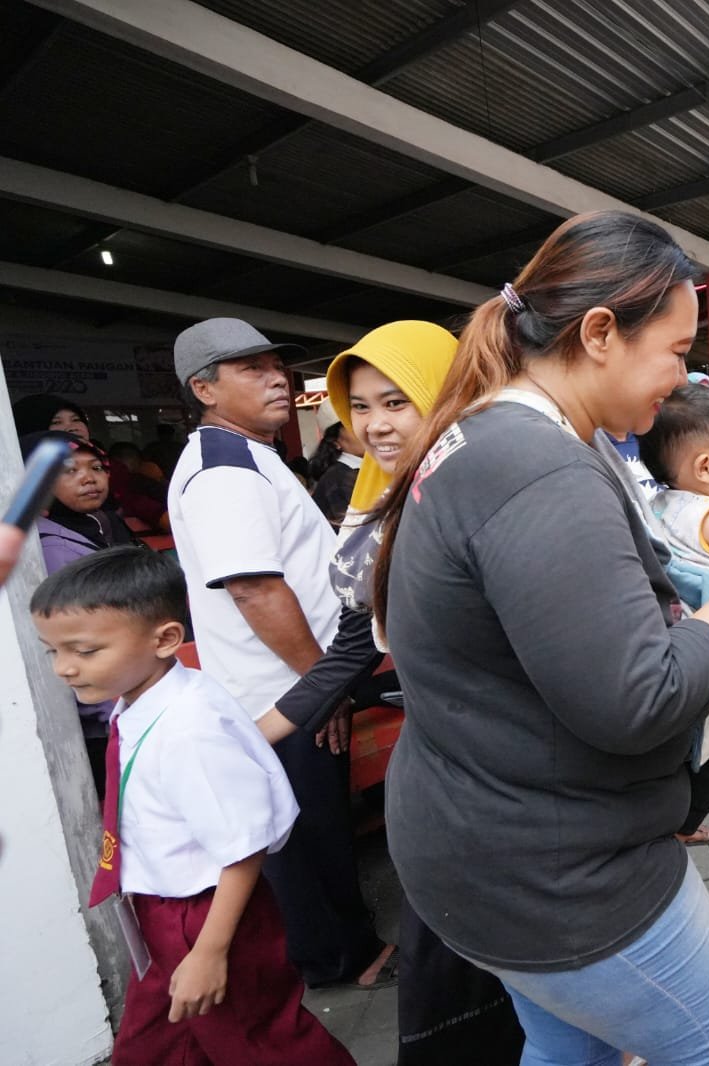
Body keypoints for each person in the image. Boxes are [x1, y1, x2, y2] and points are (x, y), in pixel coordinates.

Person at [371, 211, 709, 1065]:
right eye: (676, 349)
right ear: (601, 332)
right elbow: (640, 698)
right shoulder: (538, 467)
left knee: (564, 1040)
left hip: (476, 842)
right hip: (552, 873)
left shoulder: (484, 435)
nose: (682, 377)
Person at [249, 320, 525, 1065]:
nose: (374, 425)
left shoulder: (497, 494)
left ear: (446, 394)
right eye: (359, 406)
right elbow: (346, 650)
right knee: (454, 947)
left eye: (397, 402)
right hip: (442, 759)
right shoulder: (375, 506)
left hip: (518, 763)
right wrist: (247, 739)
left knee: (514, 938)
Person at [30, 547, 353, 1066]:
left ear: (165, 639)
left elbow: (243, 846)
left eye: (85, 651)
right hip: (162, 908)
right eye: (53, 652)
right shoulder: (138, 697)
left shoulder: (188, 730)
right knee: (156, 1042)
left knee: (263, 1040)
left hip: (204, 914)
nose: (65, 669)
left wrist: (209, 950)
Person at [166, 317, 393, 990]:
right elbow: (255, 588)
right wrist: (316, 686)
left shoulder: (249, 454)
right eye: (251, 370)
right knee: (306, 833)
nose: (276, 379)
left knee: (319, 824)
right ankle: (338, 960)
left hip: (299, 680)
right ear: (203, 389)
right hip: (281, 690)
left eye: (277, 366)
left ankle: (335, 947)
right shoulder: (223, 469)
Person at [21, 429, 138, 794]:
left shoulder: (107, 524)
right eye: (68, 470)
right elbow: (83, 641)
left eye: (96, 467)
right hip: (111, 716)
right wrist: (118, 718)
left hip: (135, 693)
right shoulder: (52, 548)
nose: (88, 478)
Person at [12, 393, 167, 528]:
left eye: (76, 419)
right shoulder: (16, 488)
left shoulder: (114, 468)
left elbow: (134, 498)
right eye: (56, 422)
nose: (72, 427)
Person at [307, 405, 364, 526]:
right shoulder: (338, 480)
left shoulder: (370, 469)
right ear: (335, 441)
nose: (365, 430)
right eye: (352, 426)